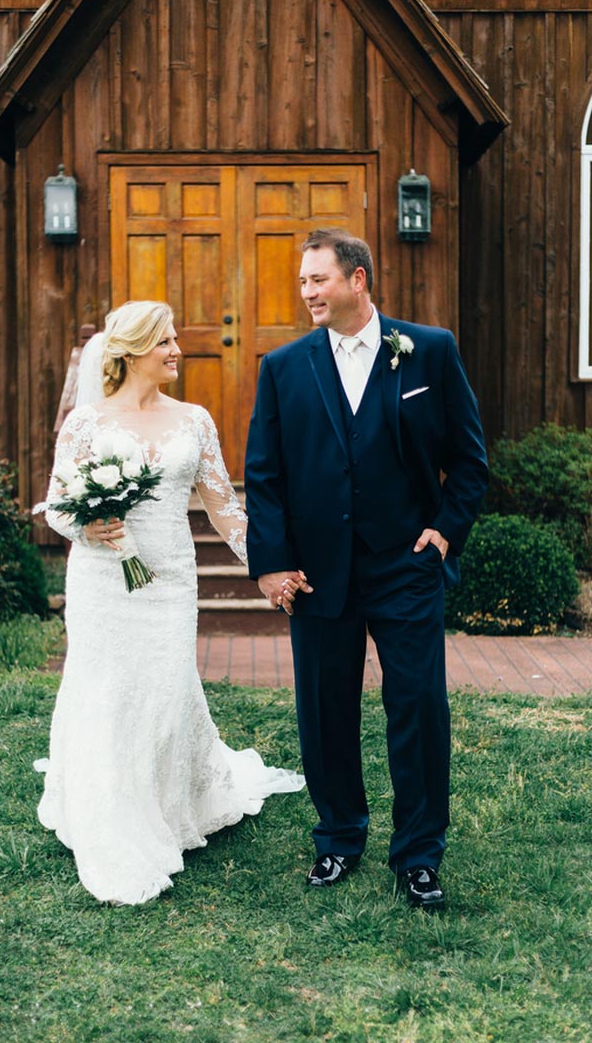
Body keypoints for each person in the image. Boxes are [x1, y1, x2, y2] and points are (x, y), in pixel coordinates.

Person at [244, 229, 488, 908]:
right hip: (318, 574)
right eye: (302, 281)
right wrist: (270, 565)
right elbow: (264, 476)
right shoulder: (283, 368)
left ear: (358, 281)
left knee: (418, 706)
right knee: (324, 711)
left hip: (405, 566)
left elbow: (468, 459)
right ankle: (339, 838)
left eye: (318, 279)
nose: (307, 292)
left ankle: (418, 854)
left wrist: (445, 531)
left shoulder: (428, 351)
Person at [35, 300, 304, 905]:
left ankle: (165, 801)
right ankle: (111, 811)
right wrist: (87, 528)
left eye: (176, 338)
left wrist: (265, 563)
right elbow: (55, 505)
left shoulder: (195, 420)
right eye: (165, 341)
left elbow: (223, 507)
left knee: (164, 686)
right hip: (103, 581)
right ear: (131, 352)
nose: (177, 349)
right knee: (105, 687)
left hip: (170, 582)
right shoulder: (87, 422)